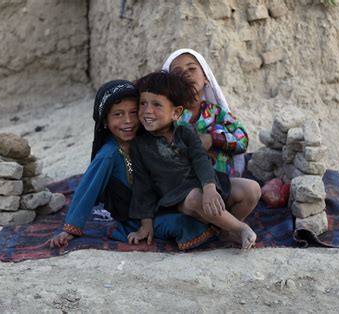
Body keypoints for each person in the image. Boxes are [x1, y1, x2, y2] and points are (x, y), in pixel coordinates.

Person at [46, 79, 217, 250]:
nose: (127, 120)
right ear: (105, 120)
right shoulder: (108, 155)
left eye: (133, 112)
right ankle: (120, 230)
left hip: (165, 202)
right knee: (184, 225)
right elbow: (87, 189)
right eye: (118, 114)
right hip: (136, 217)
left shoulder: (148, 140)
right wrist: (71, 228)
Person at [127, 71, 257, 249]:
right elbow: (142, 186)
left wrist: (210, 187)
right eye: (143, 103)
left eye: (157, 105)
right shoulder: (140, 145)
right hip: (177, 197)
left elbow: (200, 159)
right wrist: (146, 224)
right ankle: (239, 227)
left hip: (207, 184)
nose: (147, 110)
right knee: (196, 197)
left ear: (176, 112)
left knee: (251, 189)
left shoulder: (186, 132)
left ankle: (225, 231)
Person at [162, 48, 247, 177]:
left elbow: (242, 141)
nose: (186, 74)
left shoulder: (217, 113)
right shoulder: (170, 118)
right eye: (177, 72)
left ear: (206, 77)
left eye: (191, 69)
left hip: (226, 184)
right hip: (188, 186)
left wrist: (214, 137)